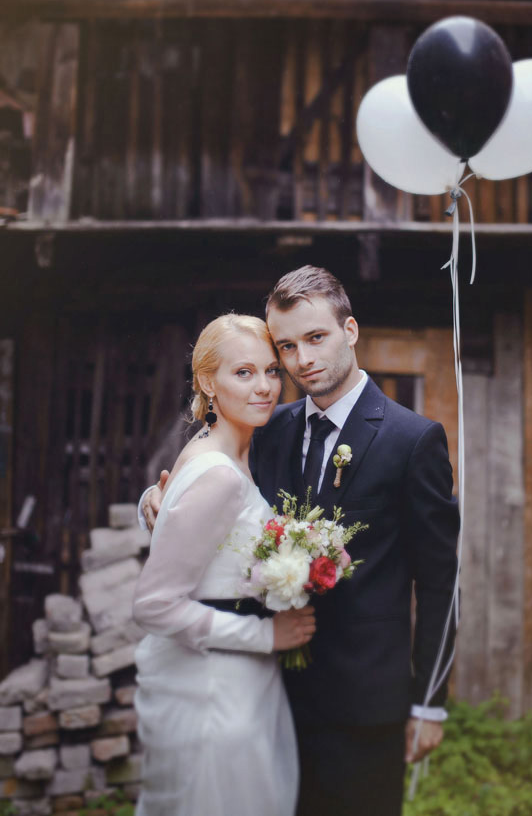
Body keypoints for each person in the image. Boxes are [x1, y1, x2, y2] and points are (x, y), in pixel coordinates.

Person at [141, 266, 460, 816]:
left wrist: (429, 705)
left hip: (363, 704)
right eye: (286, 346)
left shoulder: (414, 440)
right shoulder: (269, 427)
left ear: (350, 330)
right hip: (271, 692)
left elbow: (439, 582)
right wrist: (158, 498)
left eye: (316, 338)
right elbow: (220, 495)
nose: (301, 359)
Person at [132, 313, 315, 816]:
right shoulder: (222, 474)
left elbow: (190, 523)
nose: (264, 387)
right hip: (216, 691)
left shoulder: (210, 447)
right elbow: (153, 606)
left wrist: (152, 503)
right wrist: (266, 636)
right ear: (208, 381)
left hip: (227, 681)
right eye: (244, 373)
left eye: (272, 371)